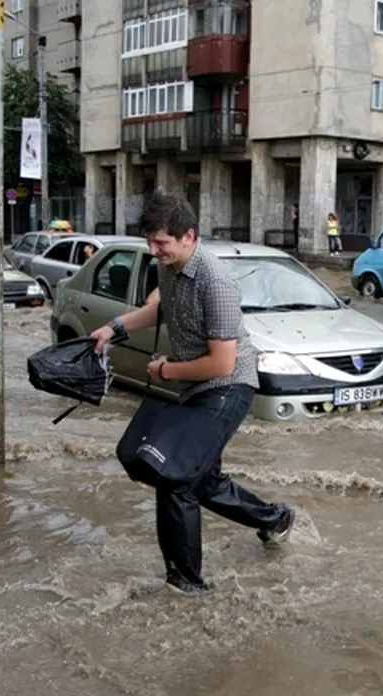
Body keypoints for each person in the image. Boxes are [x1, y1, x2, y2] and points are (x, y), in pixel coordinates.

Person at [90, 192, 296, 595]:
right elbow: (158, 308)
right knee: (204, 482)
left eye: (161, 243)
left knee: (176, 477)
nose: (154, 251)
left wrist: (166, 370)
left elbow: (221, 363)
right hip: (192, 384)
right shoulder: (169, 267)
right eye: (149, 242)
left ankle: (186, 584)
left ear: (188, 236)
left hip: (227, 387)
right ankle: (274, 519)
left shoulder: (215, 281)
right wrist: (113, 328)